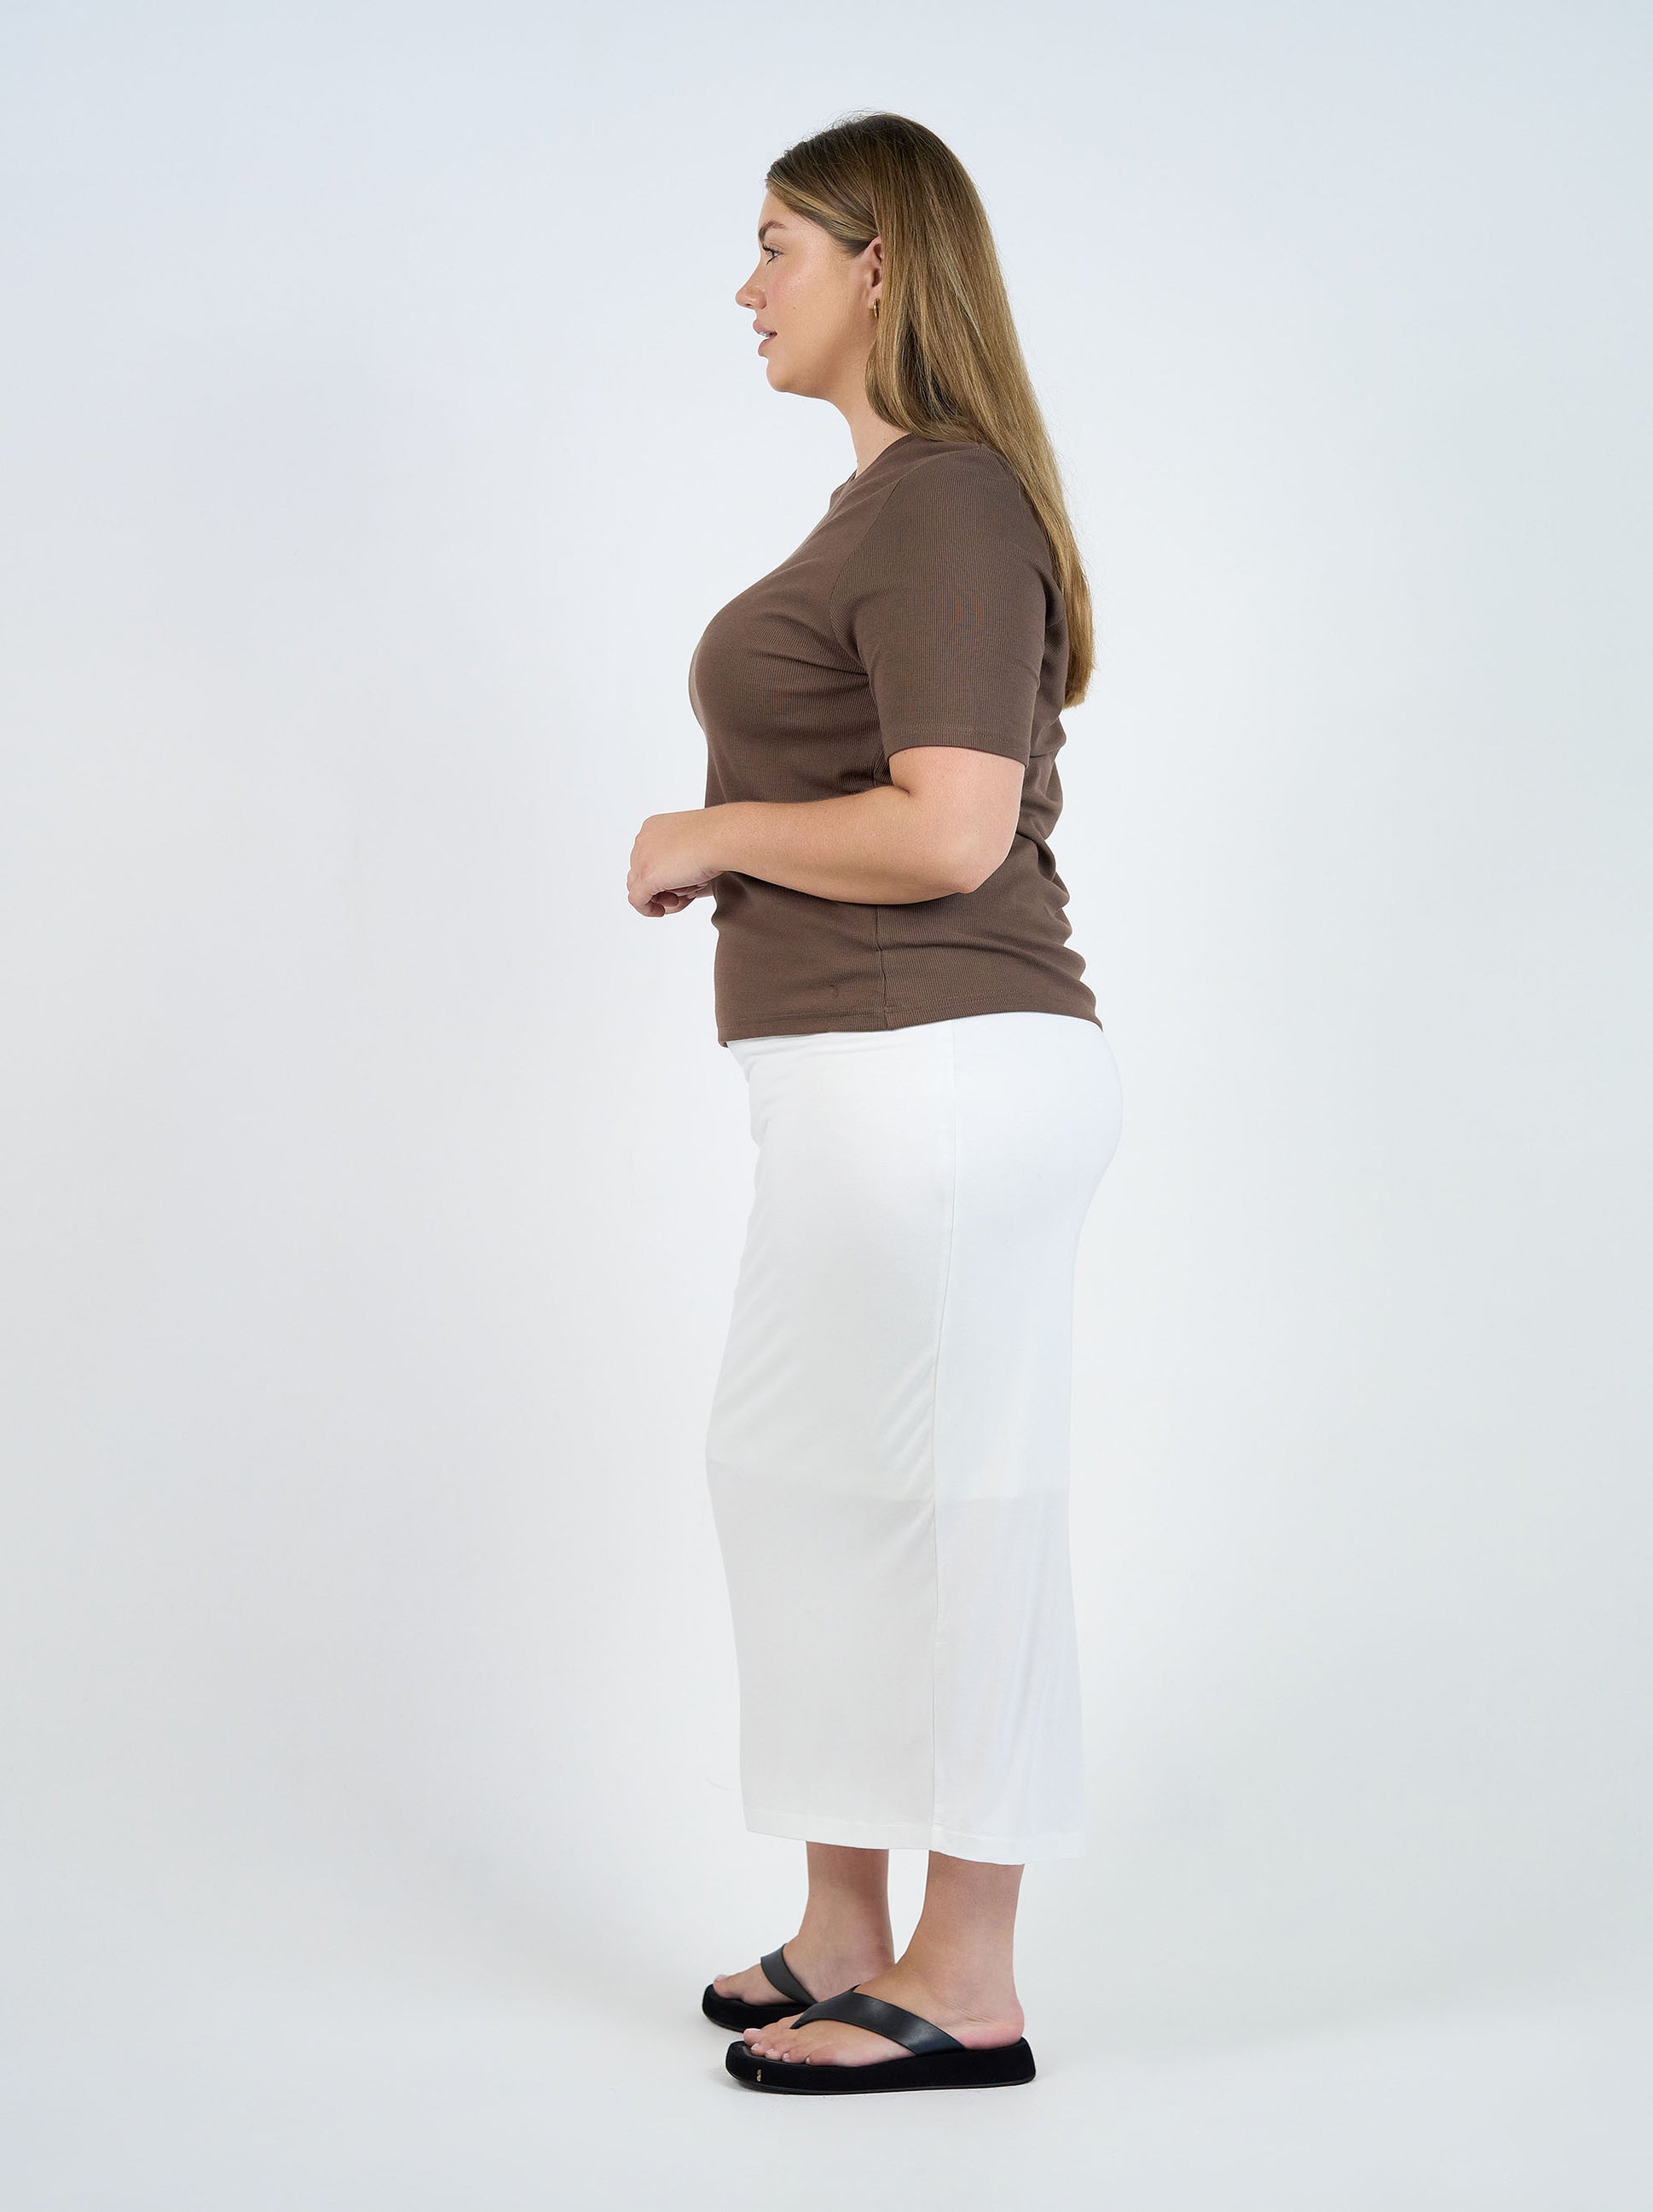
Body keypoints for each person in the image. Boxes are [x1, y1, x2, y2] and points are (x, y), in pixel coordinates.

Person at [627, 112, 1124, 2097]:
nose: (745, 286)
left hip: (946, 1066)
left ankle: (967, 1970)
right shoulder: (885, 508)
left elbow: (947, 829)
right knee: (799, 1476)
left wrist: (705, 830)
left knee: (961, 1501)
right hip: (863, 1082)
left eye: (776, 244)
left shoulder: (947, 503)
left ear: (880, 264)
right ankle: (847, 1920)